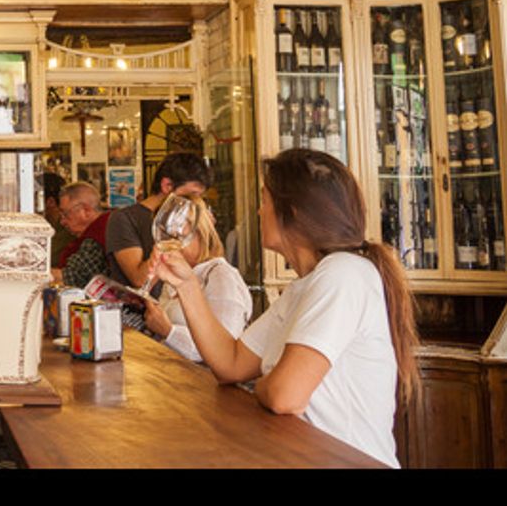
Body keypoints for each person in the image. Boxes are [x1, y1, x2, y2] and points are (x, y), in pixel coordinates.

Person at [150, 149, 418, 468]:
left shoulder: (344, 273)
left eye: (264, 200)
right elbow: (231, 364)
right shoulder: (302, 289)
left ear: (292, 211)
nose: (259, 211)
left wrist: (266, 383)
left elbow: (284, 396)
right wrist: (187, 286)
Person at [141, 193, 252, 362]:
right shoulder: (179, 275)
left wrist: (169, 331)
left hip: (206, 385)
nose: (169, 242)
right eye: (165, 234)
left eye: (177, 236)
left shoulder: (221, 276)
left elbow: (224, 352)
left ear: (200, 232)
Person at [106, 152, 211, 293]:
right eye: (191, 195)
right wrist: (165, 247)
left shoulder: (189, 220)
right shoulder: (123, 219)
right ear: (167, 185)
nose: (197, 202)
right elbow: (140, 281)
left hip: (179, 308)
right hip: (140, 312)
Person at [50, 181, 111, 287]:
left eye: (65, 214)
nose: (62, 222)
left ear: (86, 211)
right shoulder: (106, 225)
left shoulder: (96, 236)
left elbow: (72, 276)